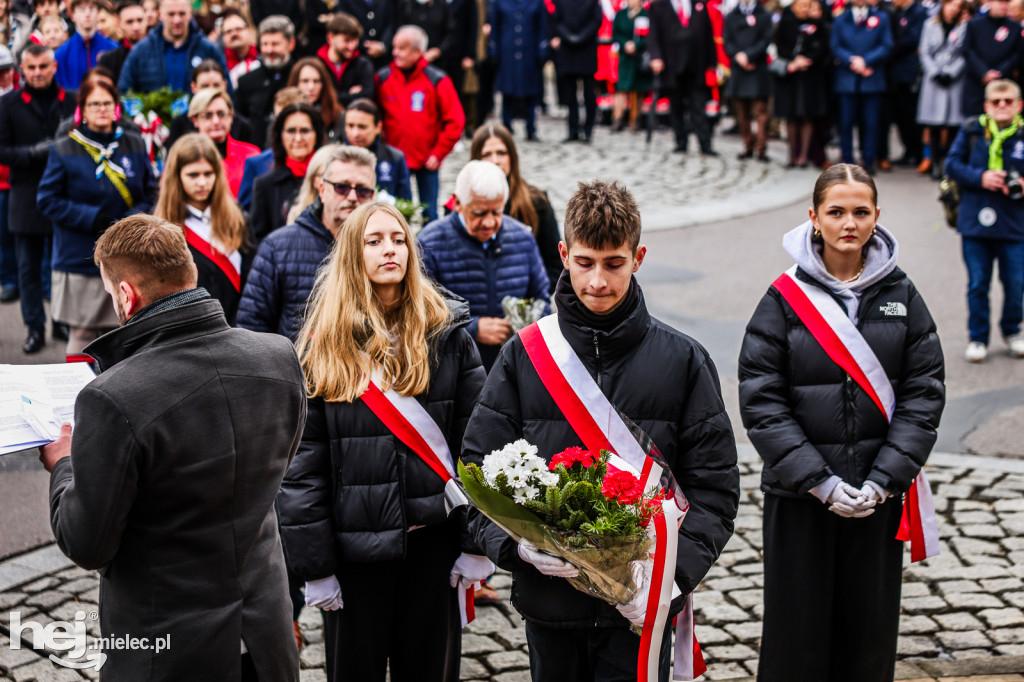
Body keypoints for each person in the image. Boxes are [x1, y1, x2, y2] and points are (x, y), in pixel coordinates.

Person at [461, 179, 739, 682]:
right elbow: (477, 472)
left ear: (639, 257)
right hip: (551, 603)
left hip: (640, 605)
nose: (597, 281)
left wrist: (668, 581)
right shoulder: (524, 356)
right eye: (585, 262)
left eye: (614, 263)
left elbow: (715, 490)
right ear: (564, 254)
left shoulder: (685, 361)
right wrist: (517, 550)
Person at [40, 214, 306, 681]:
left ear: (126, 295)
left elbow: (87, 543)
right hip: (264, 631)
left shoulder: (112, 397)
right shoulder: (279, 356)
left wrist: (64, 464)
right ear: (191, 275)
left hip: (167, 646)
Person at [738, 163, 945, 682]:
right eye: (836, 212)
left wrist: (884, 481)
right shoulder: (782, 301)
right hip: (801, 499)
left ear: (877, 217)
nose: (847, 223)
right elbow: (762, 401)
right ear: (814, 218)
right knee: (796, 638)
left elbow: (925, 392)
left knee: (868, 639)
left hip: (877, 497)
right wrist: (819, 481)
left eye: (859, 211)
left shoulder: (903, 296)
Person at [277, 200, 488, 682]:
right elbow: (301, 468)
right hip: (354, 556)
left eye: (398, 239)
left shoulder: (448, 336)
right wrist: (315, 566)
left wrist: (478, 544)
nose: (389, 249)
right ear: (353, 256)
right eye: (374, 241)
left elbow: (477, 447)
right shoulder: (320, 348)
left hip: (433, 546)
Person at [36, 77, 156, 355]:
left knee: (123, 332)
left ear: (115, 108)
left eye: (107, 103)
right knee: (84, 332)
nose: (101, 109)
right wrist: (93, 217)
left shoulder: (135, 143)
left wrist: (127, 221)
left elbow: (151, 191)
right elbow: (47, 200)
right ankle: (79, 394)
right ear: (83, 109)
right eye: (94, 104)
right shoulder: (64, 148)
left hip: (127, 253)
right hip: (80, 256)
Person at [418, 160, 549, 371]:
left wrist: (526, 328)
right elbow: (421, 314)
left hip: (514, 365)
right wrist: (473, 329)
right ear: (458, 203)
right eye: (479, 213)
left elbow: (542, 299)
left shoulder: (522, 237)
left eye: (496, 212)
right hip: (456, 367)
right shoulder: (429, 243)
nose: (489, 223)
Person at [237, 145, 377, 339]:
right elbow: (252, 327)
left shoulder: (388, 249)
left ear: (372, 196)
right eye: (342, 187)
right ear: (322, 190)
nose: (352, 197)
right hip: (296, 367)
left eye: (362, 190)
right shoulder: (278, 247)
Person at [0, 44, 77, 354]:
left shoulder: (70, 101)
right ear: (21, 70)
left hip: (64, 194)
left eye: (43, 66)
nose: (37, 73)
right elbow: (2, 150)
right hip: (25, 194)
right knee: (28, 269)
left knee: (62, 266)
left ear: (53, 66)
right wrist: (32, 153)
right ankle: (35, 327)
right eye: (30, 68)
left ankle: (61, 319)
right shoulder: (8, 105)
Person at [945, 79, 1024, 362]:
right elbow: (951, 165)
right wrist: (981, 177)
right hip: (975, 222)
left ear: (1019, 105)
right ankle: (978, 338)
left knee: (1015, 283)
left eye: (1008, 101)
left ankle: (1012, 330)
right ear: (986, 106)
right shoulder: (971, 130)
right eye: (996, 102)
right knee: (978, 283)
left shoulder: (1022, 134)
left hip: (1015, 224)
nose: (1002, 106)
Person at [156, 133, 252, 324]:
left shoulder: (238, 219)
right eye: (193, 175)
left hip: (236, 326)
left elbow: (251, 282)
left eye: (208, 174)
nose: (202, 182)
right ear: (177, 177)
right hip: (188, 329)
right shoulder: (162, 228)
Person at [375, 24, 464, 222]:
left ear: (418, 51)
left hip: (427, 160)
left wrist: (438, 153)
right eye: (394, 47)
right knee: (393, 213)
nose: (395, 53)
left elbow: (455, 121)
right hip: (394, 161)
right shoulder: (383, 78)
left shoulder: (436, 80)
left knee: (429, 214)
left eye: (402, 48)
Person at [470, 122, 561, 290]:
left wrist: (531, 298)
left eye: (501, 153)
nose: (495, 161)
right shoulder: (460, 206)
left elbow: (554, 263)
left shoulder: (536, 202)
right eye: (487, 154)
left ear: (512, 157)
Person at [648, 0, 720, 155]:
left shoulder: (698, 4)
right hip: (671, 66)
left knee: (699, 106)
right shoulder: (659, 6)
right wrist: (655, 57)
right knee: (676, 106)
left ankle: (705, 144)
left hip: (696, 66)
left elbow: (708, 34)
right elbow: (653, 34)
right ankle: (681, 142)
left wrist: (712, 62)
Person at [831, 0, 892, 173]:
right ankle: (848, 162)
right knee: (846, 122)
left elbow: (886, 45)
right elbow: (835, 46)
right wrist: (853, 61)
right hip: (847, 79)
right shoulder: (840, 19)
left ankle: (869, 159)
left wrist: (866, 61)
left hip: (871, 78)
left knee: (871, 122)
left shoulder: (881, 18)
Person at [250, 101, 325, 242]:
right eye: (291, 131)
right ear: (281, 136)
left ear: (317, 134)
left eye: (305, 130)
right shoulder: (265, 185)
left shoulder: (331, 180)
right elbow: (258, 240)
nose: (298, 138)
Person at [117, 0, 227, 94]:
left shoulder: (208, 49)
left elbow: (227, 92)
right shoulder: (141, 51)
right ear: (160, 14)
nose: (177, 20)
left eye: (182, 14)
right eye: (171, 14)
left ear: (190, 13)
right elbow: (125, 92)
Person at [772, 0, 830, 168]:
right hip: (790, 76)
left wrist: (808, 59)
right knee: (791, 116)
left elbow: (822, 48)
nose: (805, 9)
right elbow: (780, 45)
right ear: (794, 7)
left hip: (810, 76)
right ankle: (792, 155)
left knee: (807, 114)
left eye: (808, 6)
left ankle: (803, 156)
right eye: (802, 6)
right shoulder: (786, 22)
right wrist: (794, 60)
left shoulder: (817, 25)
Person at [917, 0, 969, 179]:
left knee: (952, 124)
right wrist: (935, 72)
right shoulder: (930, 24)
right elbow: (924, 52)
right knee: (933, 124)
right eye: (951, 5)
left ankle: (949, 163)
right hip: (933, 80)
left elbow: (964, 54)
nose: (953, 9)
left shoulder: (964, 27)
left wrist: (952, 73)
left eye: (957, 6)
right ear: (944, 6)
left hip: (954, 81)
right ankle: (935, 162)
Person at [237, 85, 306, 211]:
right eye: (280, 119)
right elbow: (245, 214)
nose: (285, 126)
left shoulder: (325, 162)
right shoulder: (257, 164)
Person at [166, 59, 257, 148]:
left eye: (216, 85)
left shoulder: (243, 126)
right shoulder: (179, 125)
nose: (211, 90)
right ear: (194, 87)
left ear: (224, 85)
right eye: (205, 86)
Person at [187, 87, 260, 197]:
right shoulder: (183, 155)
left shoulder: (251, 155)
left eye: (221, 114)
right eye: (208, 115)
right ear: (195, 120)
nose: (216, 121)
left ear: (231, 116)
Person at [724, 0, 773, 161]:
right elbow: (727, 40)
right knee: (742, 111)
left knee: (761, 111)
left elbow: (766, 39)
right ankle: (747, 144)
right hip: (738, 68)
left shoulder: (764, 14)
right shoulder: (731, 16)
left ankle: (761, 147)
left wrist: (750, 56)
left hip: (758, 67)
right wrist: (738, 56)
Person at [550, 0, 602, 144]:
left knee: (589, 95)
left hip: (587, 50)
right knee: (570, 94)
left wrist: (581, 37)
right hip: (568, 51)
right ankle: (573, 130)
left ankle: (588, 130)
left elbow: (596, 20)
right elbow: (557, 21)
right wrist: (568, 37)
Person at [234, 15, 296, 136]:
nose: (269, 50)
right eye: (265, 44)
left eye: (275, 44)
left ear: (291, 44)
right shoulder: (246, 82)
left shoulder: (301, 78)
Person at [342, 97, 412, 200]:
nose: (355, 133)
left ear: (378, 127)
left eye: (362, 127)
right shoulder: (335, 157)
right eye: (350, 126)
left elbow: (405, 202)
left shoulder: (394, 157)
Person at [961, 0, 1021, 118]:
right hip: (977, 85)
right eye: (1000, 2)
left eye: (1006, 3)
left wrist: (999, 73)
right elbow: (967, 50)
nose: (1004, 6)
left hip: (1003, 86)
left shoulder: (1015, 27)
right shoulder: (974, 25)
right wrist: (984, 72)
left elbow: (1017, 54)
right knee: (974, 126)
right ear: (989, 3)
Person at [54, 0, 118, 90]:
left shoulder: (113, 48)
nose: (87, 14)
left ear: (97, 14)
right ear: (73, 15)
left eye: (92, 9)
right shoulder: (61, 54)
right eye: (82, 9)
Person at [611, 0, 653, 132]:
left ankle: (635, 119)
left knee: (639, 88)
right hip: (625, 57)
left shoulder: (645, 15)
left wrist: (638, 45)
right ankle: (617, 119)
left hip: (640, 57)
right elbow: (616, 34)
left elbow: (650, 36)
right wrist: (625, 44)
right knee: (622, 88)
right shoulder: (621, 15)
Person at [317, 12, 375, 107]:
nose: (352, 46)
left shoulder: (363, 64)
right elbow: (317, 97)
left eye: (355, 40)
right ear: (330, 38)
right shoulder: (318, 64)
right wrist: (349, 95)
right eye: (347, 40)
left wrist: (332, 96)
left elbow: (366, 96)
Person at [288, 57, 344, 140]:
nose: (311, 87)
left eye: (316, 81)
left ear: (324, 84)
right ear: (296, 84)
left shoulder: (337, 116)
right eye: (305, 81)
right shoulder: (283, 115)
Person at [285, 142, 340, 224]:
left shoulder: (355, 214)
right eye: (326, 175)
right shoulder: (297, 214)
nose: (334, 181)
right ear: (314, 180)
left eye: (339, 176)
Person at [97, 0, 146, 83]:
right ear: (119, 23)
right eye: (129, 22)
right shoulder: (108, 60)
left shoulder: (160, 52)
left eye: (140, 20)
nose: (136, 27)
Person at [336, 0, 395, 69]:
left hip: (384, 59)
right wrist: (364, 45)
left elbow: (392, 23)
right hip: (356, 57)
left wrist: (383, 44)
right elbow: (343, 22)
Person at [220, 8, 258, 87]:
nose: (234, 34)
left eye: (238, 29)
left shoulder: (262, 58)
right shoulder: (220, 65)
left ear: (249, 30)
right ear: (223, 37)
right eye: (228, 31)